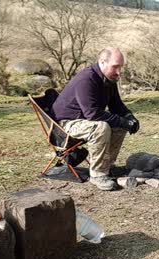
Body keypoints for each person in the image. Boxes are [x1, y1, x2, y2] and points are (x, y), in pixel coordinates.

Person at [51, 48, 139, 191]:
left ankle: (107, 166)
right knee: (101, 127)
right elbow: (93, 114)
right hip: (65, 124)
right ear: (102, 62)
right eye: (115, 66)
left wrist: (130, 118)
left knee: (120, 125)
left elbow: (116, 105)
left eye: (121, 67)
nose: (119, 72)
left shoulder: (109, 79)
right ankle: (97, 175)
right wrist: (123, 121)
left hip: (84, 120)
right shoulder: (87, 79)